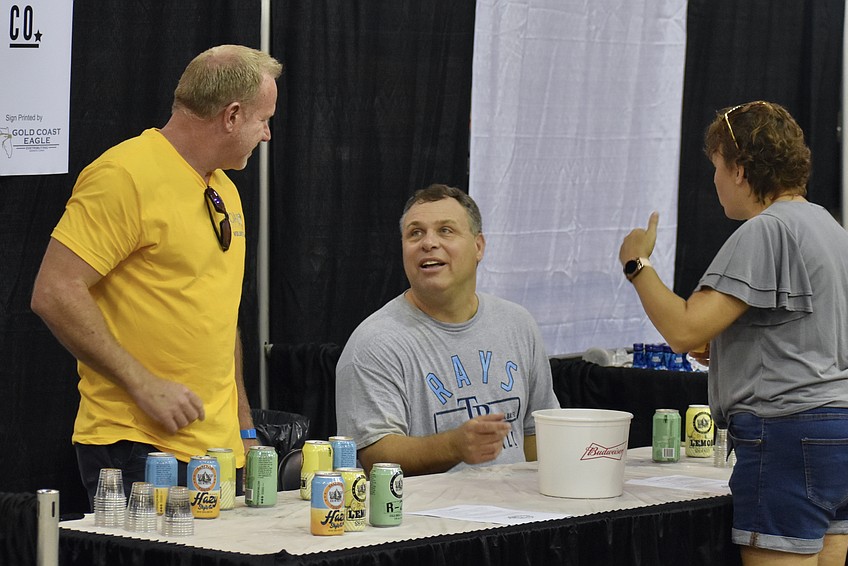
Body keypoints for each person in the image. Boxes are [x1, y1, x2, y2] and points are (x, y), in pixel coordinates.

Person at [30, 45, 282, 506]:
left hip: (218, 451)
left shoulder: (224, 188)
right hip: (137, 446)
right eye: (263, 120)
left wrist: (244, 428)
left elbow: (219, 319)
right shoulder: (124, 175)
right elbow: (54, 290)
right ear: (231, 116)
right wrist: (142, 383)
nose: (267, 134)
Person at [619, 101, 848, 565]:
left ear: (740, 170)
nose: (715, 181)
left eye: (717, 167)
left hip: (786, 433)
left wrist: (636, 264)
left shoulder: (766, 231)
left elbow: (684, 331)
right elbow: (804, 333)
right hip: (838, 432)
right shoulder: (831, 229)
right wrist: (730, 350)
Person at [335, 184, 560, 476]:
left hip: (516, 503)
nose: (428, 243)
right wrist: (454, 446)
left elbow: (536, 433)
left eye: (445, 230)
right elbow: (376, 455)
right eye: (415, 233)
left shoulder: (518, 324)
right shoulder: (375, 343)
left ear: (478, 247)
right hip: (421, 506)